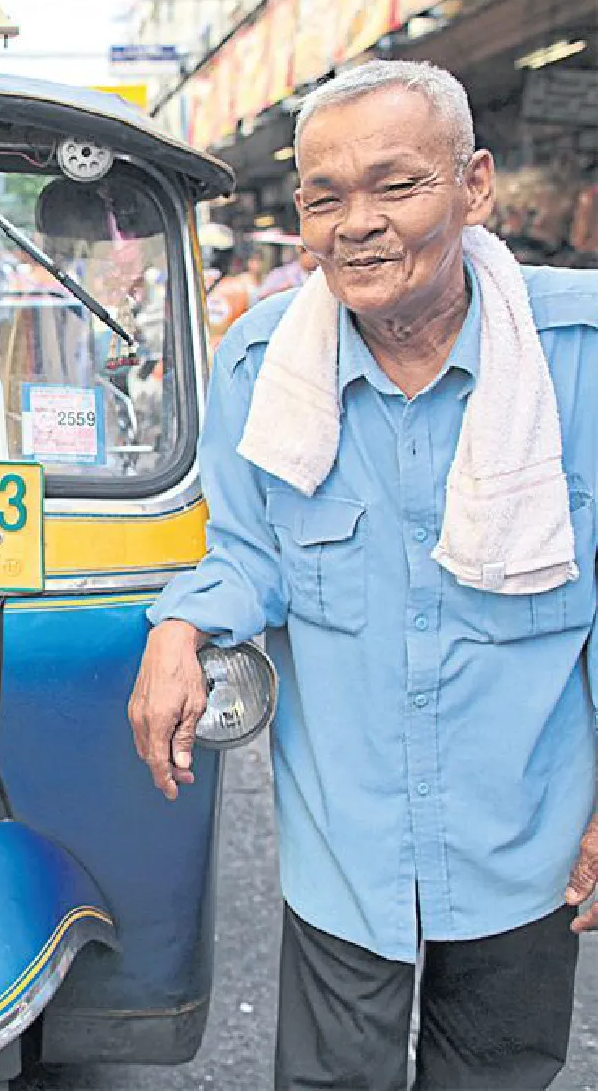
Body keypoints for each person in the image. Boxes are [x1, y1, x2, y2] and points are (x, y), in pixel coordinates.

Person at [128, 60, 597, 1090]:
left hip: (528, 829)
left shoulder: (580, 353)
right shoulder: (259, 363)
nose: (358, 224)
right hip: (350, 838)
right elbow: (248, 550)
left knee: (501, 1076)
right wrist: (180, 630)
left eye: (397, 185)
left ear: (474, 186)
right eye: (325, 196)